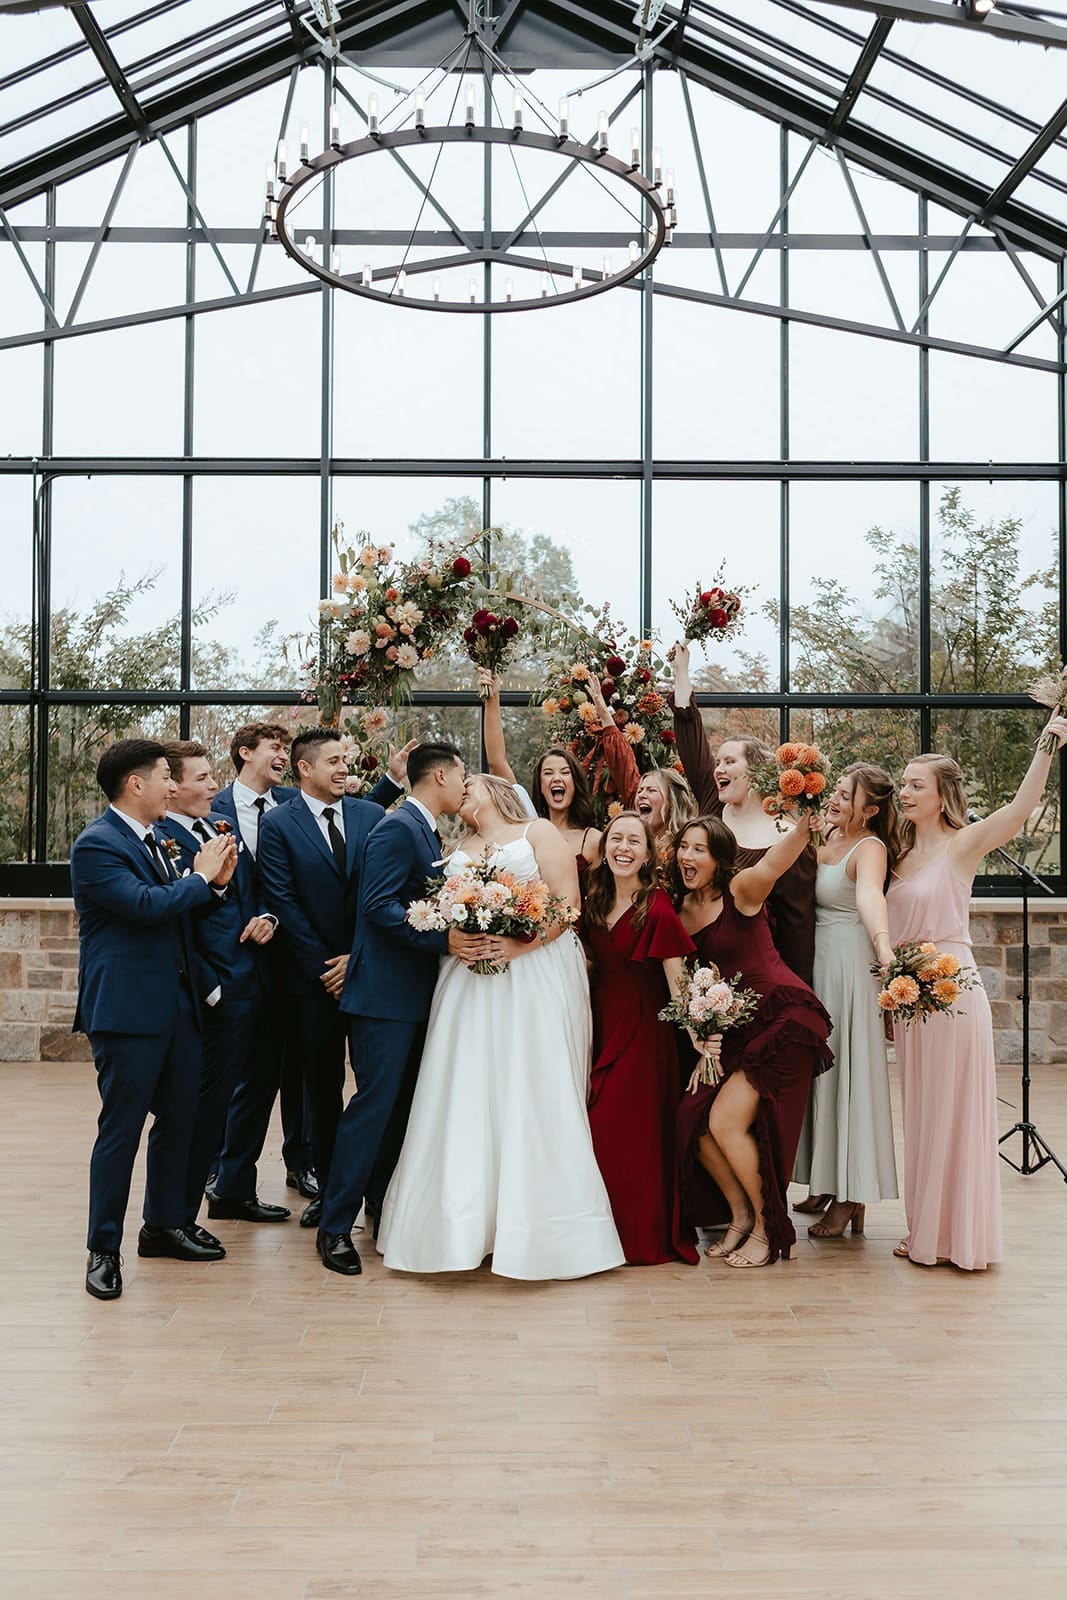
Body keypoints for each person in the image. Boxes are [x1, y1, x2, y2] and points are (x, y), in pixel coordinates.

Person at [376, 774, 625, 1280]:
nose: (462, 790)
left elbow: (567, 904)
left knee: (530, 1086)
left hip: (532, 974)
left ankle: (540, 1230)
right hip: (468, 981)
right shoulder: (456, 846)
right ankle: (462, 1227)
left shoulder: (536, 832)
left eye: (471, 783)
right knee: (464, 1088)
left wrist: (520, 944)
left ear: (497, 791)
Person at [887, 718, 1067, 1271]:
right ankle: (926, 1227)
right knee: (920, 1113)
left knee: (952, 1110)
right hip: (909, 994)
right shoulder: (895, 854)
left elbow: (1017, 811)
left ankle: (955, 1236)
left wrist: (1048, 743)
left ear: (943, 796)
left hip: (953, 988)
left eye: (918, 784)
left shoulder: (961, 845)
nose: (906, 790)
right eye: (904, 782)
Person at [71, 738, 237, 1299]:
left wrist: (214, 884)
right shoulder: (97, 845)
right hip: (126, 1010)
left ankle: (164, 1225)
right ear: (135, 784)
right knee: (120, 1131)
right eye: (167, 776)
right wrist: (199, 880)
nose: (175, 786)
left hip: (177, 1006)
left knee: (181, 1120)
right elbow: (145, 907)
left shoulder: (160, 838)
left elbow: (180, 911)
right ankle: (102, 1249)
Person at [316, 742, 474, 1275]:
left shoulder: (424, 829)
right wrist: (444, 939)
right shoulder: (397, 827)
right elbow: (378, 906)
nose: (464, 785)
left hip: (410, 997)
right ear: (439, 775)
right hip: (382, 999)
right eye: (461, 775)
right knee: (372, 1110)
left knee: (399, 1113)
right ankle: (334, 1227)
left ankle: (382, 1209)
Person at [256, 726, 408, 1228]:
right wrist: (329, 967)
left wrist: (356, 959)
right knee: (320, 1089)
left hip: (371, 974)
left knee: (374, 1088)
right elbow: (283, 903)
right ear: (304, 768)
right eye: (334, 762)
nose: (345, 769)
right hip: (311, 982)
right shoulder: (278, 824)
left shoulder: (370, 814)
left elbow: (382, 893)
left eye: (346, 760)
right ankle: (327, 1187)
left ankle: (377, 1190)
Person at [673, 812, 832, 1268]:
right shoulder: (679, 908)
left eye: (699, 849)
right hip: (737, 1030)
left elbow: (771, 866)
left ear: (720, 859)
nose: (688, 855)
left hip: (784, 1018)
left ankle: (768, 1228)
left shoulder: (739, 891)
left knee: (724, 1122)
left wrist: (802, 829)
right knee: (694, 1121)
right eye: (684, 846)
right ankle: (740, 1215)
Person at [157, 740, 292, 1234]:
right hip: (213, 991)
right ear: (170, 788)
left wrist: (268, 916)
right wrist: (211, 986)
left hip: (255, 979)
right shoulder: (163, 840)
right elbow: (177, 926)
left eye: (213, 777)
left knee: (258, 1088)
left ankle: (234, 1190)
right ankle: (179, 1216)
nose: (214, 785)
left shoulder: (220, 827)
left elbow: (253, 889)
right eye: (201, 778)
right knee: (204, 1105)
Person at [583, 811, 697, 1265]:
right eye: (616, 839)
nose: (623, 848)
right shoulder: (593, 897)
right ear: (604, 846)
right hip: (598, 1022)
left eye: (634, 841)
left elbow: (679, 983)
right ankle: (597, 1233)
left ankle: (637, 1238)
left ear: (649, 854)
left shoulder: (658, 906)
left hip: (645, 1036)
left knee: (623, 1132)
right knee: (594, 1131)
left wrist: (701, 1040)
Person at [209, 722, 313, 1209]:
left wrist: (393, 782)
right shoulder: (210, 810)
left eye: (287, 749)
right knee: (237, 1075)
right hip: (231, 966)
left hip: (289, 962)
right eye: (275, 747)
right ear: (245, 753)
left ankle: (302, 1163)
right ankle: (223, 1172)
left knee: (295, 1072)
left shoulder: (294, 804)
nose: (283, 755)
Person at [793, 764, 900, 1236]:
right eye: (835, 790)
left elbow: (870, 897)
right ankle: (823, 1177)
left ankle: (852, 1194)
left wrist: (882, 944)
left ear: (870, 810)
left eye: (845, 795)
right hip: (818, 968)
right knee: (821, 1077)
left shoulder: (870, 848)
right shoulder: (824, 838)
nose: (834, 799)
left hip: (851, 970)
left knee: (848, 1075)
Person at [670, 641, 816, 983]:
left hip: (756, 976)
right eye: (717, 762)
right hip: (698, 963)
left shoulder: (789, 835)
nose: (718, 768)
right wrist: (681, 673)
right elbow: (692, 743)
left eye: (729, 762)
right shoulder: (712, 806)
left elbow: (798, 924)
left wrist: (797, 989)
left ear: (755, 771)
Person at [480, 669, 602, 877]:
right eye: (548, 773)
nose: (556, 777)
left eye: (565, 772)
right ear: (540, 785)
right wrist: (493, 698)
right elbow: (496, 762)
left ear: (576, 783)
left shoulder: (592, 839)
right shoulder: (527, 823)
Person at [584, 672, 696, 868]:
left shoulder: (686, 846)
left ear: (672, 801)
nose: (641, 795)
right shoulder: (631, 838)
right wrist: (603, 713)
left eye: (651, 790)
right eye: (640, 790)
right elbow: (623, 764)